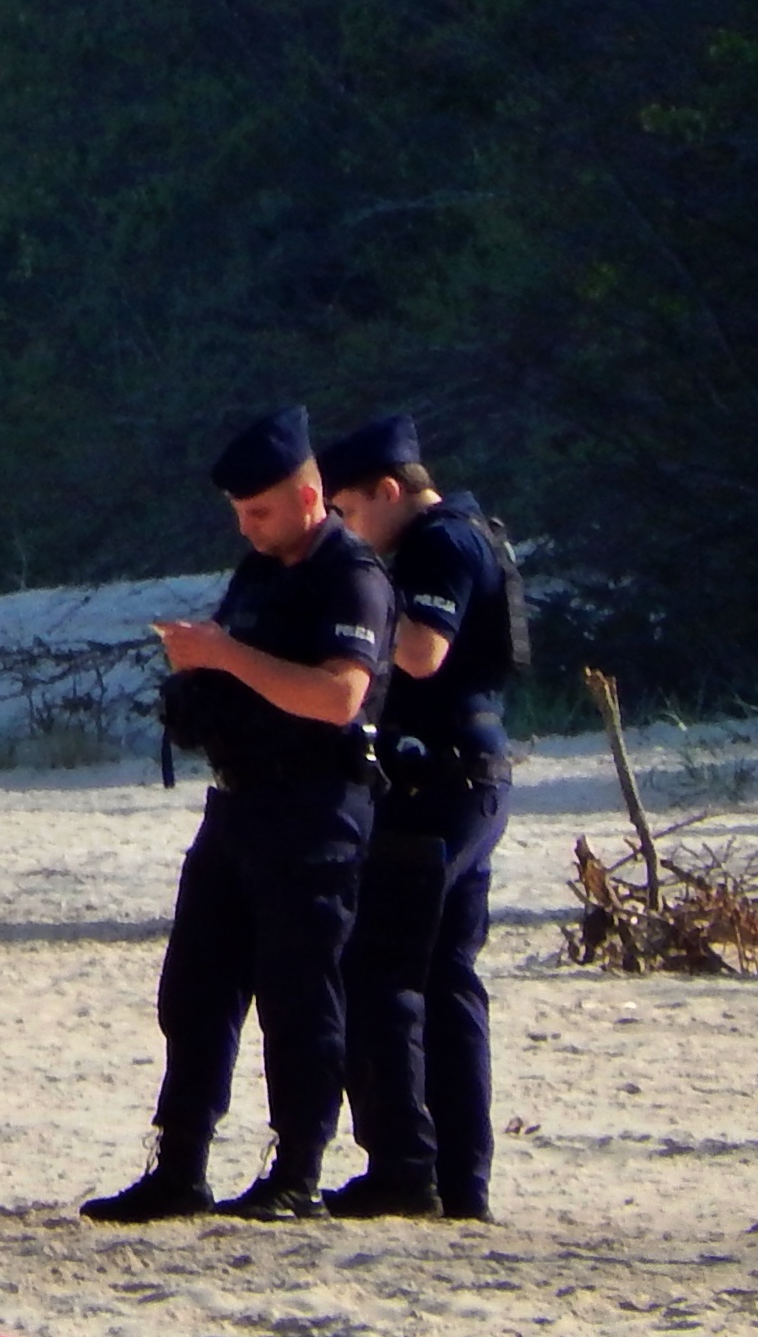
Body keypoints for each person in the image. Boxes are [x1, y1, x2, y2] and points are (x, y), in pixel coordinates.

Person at [86, 409, 394, 1226]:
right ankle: (179, 1163)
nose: (247, 527)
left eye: (260, 511)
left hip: (315, 805)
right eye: (238, 513)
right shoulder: (258, 571)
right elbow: (244, 671)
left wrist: (223, 656)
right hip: (238, 801)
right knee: (196, 990)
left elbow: (339, 696)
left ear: (307, 495)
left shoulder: (348, 572)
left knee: (299, 995)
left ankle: (297, 1170)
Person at [316, 413, 516, 1221]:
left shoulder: (440, 541)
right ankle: (461, 1177)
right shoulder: (474, 532)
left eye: (351, 513)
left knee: (384, 971)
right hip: (473, 778)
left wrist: (352, 607)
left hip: (437, 784)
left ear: (390, 490)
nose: (346, 531)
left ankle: (406, 1166)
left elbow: (423, 651)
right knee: (447, 978)